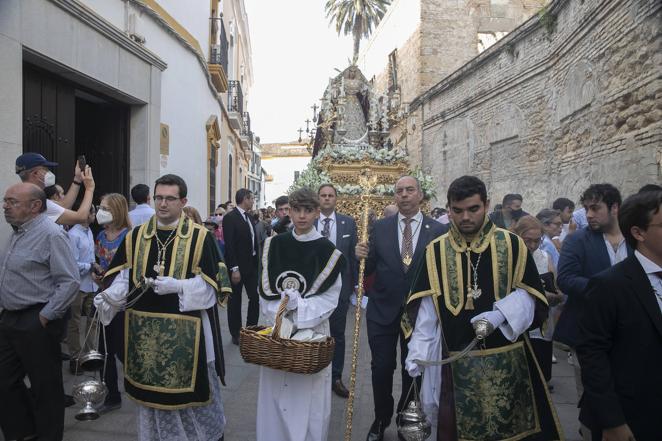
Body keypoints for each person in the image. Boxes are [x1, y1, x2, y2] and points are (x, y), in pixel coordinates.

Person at [402, 175, 562, 441]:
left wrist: (501, 314)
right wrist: (418, 350)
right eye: (458, 210)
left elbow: (531, 296)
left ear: (486, 205)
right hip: (454, 364)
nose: (465, 217)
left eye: (473, 209)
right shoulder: (435, 251)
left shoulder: (512, 245)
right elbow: (427, 309)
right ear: (449, 208)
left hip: (508, 360)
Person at [93, 174, 232, 441]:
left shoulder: (201, 237)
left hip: (189, 338)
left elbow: (214, 288)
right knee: (151, 404)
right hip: (144, 337)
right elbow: (124, 279)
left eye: (170, 199)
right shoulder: (136, 237)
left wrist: (179, 287)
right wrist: (109, 297)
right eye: (159, 198)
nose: (163, 204)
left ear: (183, 202)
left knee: (194, 405)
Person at [355, 176, 447, 441]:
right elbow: (369, 267)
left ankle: (408, 418)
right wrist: (359, 255)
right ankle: (381, 417)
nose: (404, 195)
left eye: (410, 190)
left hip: (419, 315)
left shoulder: (436, 231)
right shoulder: (381, 227)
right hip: (382, 311)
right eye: (399, 191)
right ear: (394, 196)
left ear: (420, 195)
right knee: (381, 368)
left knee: (413, 369)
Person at [256, 187, 346, 441]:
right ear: (289, 211)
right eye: (296, 210)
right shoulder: (273, 245)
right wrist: (281, 313)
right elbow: (264, 293)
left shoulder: (329, 252)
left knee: (309, 404)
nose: (302, 216)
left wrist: (300, 308)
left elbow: (330, 299)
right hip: (277, 332)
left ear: (318, 212)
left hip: (312, 336)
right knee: (274, 400)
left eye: (308, 210)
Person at [576, 190, 662, 441]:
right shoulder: (609, 285)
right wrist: (613, 422)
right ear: (639, 233)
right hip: (633, 417)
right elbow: (593, 356)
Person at [0, 183, 80, 441]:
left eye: (12, 201)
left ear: (35, 206)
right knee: (5, 382)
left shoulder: (51, 234)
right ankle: (24, 432)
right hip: (9, 318)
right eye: (5, 201)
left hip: (37, 319)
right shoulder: (17, 232)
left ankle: (47, 435)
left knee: (45, 388)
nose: (5, 206)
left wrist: (44, 316)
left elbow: (69, 281)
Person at [555, 184, 632, 440]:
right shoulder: (578, 240)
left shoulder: (634, 239)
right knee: (591, 395)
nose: (588, 215)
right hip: (589, 333)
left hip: (631, 333)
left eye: (595, 208)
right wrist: (606, 290)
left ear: (614, 208)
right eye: (586, 208)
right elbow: (565, 279)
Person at [314, 183, 358, 398]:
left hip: (340, 287)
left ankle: (336, 376)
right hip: (314, 289)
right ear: (318, 198)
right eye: (323, 195)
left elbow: (352, 257)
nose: (327, 198)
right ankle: (314, 371)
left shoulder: (348, 223)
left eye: (331, 195)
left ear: (336, 199)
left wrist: (355, 284)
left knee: (338, 334)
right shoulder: (310, 223)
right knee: (313, 331)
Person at [512, 216, 564, 385]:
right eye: (528, 240)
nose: (532, 245)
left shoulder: (544, 257)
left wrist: (552, 296)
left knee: (539, 374)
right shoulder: (510, 257)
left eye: (537, 240)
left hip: (541, 323)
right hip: (518, 324)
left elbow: (558, 291)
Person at [92, 193, 132, 413]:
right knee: (103, 350)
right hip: (104, 299)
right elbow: (101, 263)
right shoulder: (100, 235)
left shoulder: (130, 236)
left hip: (123, 302)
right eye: (100, 206)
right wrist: (97, 274)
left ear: (117, 210)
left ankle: (141, 382)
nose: (101, 210)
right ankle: (111, 395)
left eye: (105, 207)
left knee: (123, 350)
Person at [15, 152, 95, 225]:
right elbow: (80, 217)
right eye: (46, 169)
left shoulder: (25, 198)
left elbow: (64, 205)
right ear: (35, 173)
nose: (49, 172)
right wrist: (89, 189)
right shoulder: (38, 203)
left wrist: (77, 179)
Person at [223, 188, 259, 345]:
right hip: (237, 268)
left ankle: (251, 330)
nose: (253, 201)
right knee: (235, 302)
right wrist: (234, 268)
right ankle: (236, 333)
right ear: (245, 198)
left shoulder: (249, 217)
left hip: (251, 267)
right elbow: (229, 245)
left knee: (255, 298)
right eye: (251, 199)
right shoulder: (230, 218)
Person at [66, 205, 99, 374]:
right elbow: (72, 264)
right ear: (87, 214)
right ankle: (76, 358)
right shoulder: (73, 235)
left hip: (91, 285)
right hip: (78, 286)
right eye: (94, 212)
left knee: (93, 322)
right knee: (75, 323)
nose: (96, 215)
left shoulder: (89, 231)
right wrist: (91, 266)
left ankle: (90, 354)